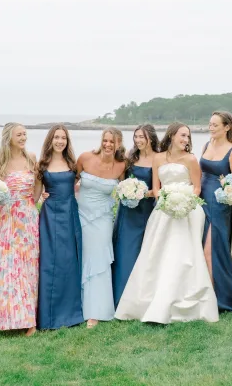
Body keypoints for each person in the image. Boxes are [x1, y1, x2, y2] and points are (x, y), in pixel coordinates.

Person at [115, 122, 219, 324]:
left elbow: (197, 188)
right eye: (182, 135)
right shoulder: (158, 158)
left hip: (187, 209)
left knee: (182, 255)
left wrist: (184, 200)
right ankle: (149, 301)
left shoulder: (191, 159)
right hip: (163, 210)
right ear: (171, 136)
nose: (185, 140)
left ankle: (184, 301)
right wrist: (166, 200)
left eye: (188, 137)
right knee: (156, 254)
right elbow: (156, 188)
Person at [0, 123, 39, 335]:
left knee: (27, 268)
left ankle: (30, 321)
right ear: (8, 137)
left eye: (25, 134)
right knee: (7, 268)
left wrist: (35, 201)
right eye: (19, 134)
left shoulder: (31, 157)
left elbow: (38, 184)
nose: (23, 137)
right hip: (4, 220)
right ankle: (3, 316)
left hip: (27, 219)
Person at [35, 125, 83, 329]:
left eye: (63, 137)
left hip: (70, 214)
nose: (60, 141)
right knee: (50, 263)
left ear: (67, 141)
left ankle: (72, 313)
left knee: (70, 261)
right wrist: (41, 198)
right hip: (50, 216)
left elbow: (78, 187)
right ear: (50, 140)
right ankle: (49, 316)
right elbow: (35, 196)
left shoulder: (73, 163)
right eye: (56, 137)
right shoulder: (42, 164)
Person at [77, 128, 126, 327]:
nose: (107, 145)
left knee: (99, 261)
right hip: (81, 215)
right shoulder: (85, 158)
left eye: (112, 142)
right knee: (81, 258)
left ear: (119, 144)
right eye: (105, 140)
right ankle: (77, 306)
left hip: (103, 219)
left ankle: (96, 311)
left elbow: (127, 189)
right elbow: (66, 180)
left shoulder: (122, 165)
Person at [200, 111, 232, 312]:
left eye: (215, 125)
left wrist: (226, 194)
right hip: (200, 200)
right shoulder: (206, 145)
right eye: (210, 124)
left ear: (227, 127)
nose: (211, 128)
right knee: (199, 248)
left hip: (219, 204)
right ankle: (203, 294)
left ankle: (216, 299)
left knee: (211, 250)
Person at [112, 124, 159, 309]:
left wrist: (140, 193)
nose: (138, 140)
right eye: (136, 137)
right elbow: (120, 180)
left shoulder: (158, 157)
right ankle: (120, 296)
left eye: (142, 137)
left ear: (151, 138)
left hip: (147, 211)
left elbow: (157, 189)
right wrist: (126, 191)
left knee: (145, 252)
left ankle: (141, 298)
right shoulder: (131, 158)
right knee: (125, 250)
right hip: (128, 212)